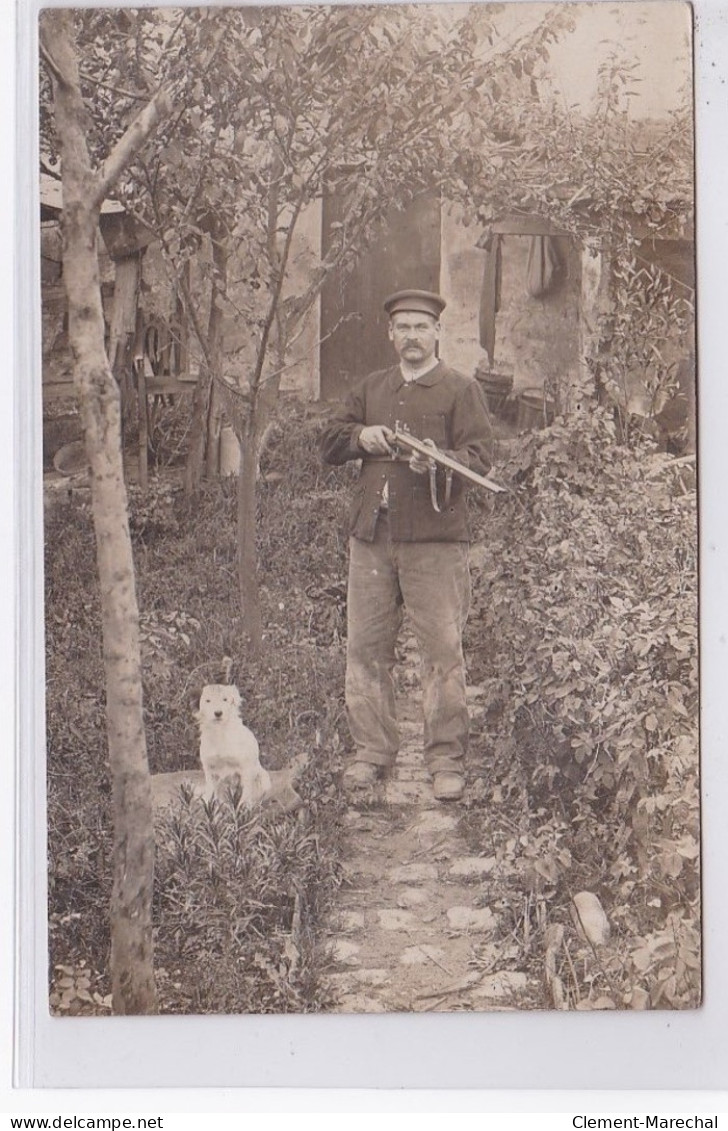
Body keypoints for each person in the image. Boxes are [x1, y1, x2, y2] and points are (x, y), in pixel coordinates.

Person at [320, 289, 494, 801]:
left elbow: (481, 460)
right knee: (367, 650)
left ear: (438, 332)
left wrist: (439, 461)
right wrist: (361, 438)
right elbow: (329, 440)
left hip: (436, 541)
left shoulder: (460, 390)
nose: (413, 337)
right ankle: (372, 754)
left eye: (422, 327)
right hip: (373, 537)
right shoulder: (373, 388)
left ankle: (445, 760)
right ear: (390, 335)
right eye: (404, 328)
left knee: (441, 652)